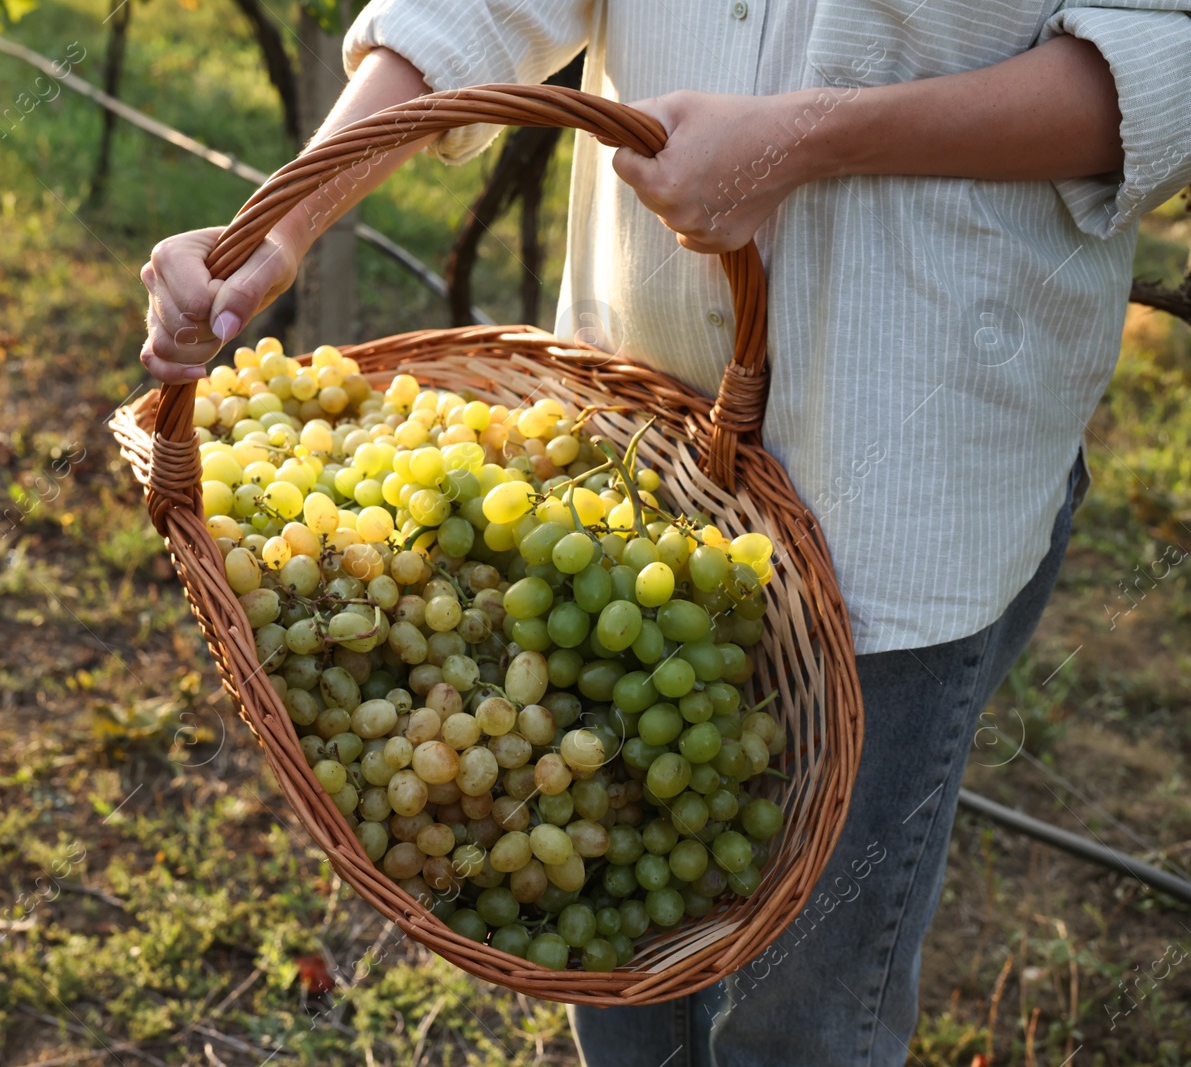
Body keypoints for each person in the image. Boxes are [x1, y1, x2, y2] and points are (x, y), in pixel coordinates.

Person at [138, 1, 1191, 1063]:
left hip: (906, 483)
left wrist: (807, 138)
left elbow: (1164, 67)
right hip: (626, 454)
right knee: (623, 959)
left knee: (803, 1020)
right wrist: (286, 218)